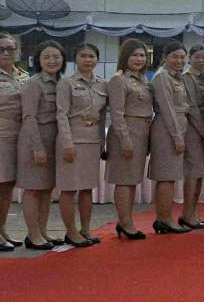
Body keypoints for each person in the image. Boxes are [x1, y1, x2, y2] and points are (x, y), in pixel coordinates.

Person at [55, 43, 108, 247]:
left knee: (87, 189)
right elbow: (61, 115)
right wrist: (67, 144)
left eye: (91, 56)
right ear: (75, 59)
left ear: (97, 59)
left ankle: (85, 229)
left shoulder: (102, 84)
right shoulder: (66, 83)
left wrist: (102, 144)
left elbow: (102, 118)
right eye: (83, 56)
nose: (87, 60)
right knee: (69, 189)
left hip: (92, 141)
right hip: (72, 141)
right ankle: (71, 232)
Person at [18, 40, 66, 249]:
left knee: (47, 189)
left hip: (54, 141)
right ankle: (33, 234)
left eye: (56, 57)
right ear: (38, 60)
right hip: (35, 140)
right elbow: (28, 117)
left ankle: (43, 231)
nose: (52, 61)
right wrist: (37, 147)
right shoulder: (34, 83)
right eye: (46, 57)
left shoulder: (63, 82)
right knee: (33, 189)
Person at [106, 38, 153, 240]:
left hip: (142, 133)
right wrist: (125, 140)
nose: (139, 59)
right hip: (126, 132)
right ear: (125, 56)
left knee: (133, 179)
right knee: (124, 180)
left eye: (142, 55)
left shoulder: (143, 80)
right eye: (134, 55)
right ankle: (125, 222)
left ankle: (126, 220)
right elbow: (117, 114)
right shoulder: (119, 80)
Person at [149, 41, 191, 235]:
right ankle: (165, 219)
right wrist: (177, 137)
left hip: (177, 128)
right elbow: (167, 110)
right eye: (174, 56)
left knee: (170, 177)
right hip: (167, 130)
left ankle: (163, 218)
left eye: (182, 57)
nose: (179, 60)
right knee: (166, 177)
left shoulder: (177, 77)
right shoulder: (162, 77)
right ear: (165, 57)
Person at [0, 32, 30, 252]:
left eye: (10, 49)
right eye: (0, 49)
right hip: (1, 134)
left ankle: (2, 229)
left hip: (19, 135)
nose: (6, 53)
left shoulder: (23, 76)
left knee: (8, 186)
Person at [179, 44, 204, 230]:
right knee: (192, 172)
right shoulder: (187, 77)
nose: (201, 60)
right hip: (193, 128)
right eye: (197, 57)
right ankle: (187, 213)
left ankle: (193, 212)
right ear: (190, 59)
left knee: (199, 173)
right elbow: (191, 108)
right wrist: (203, 131)